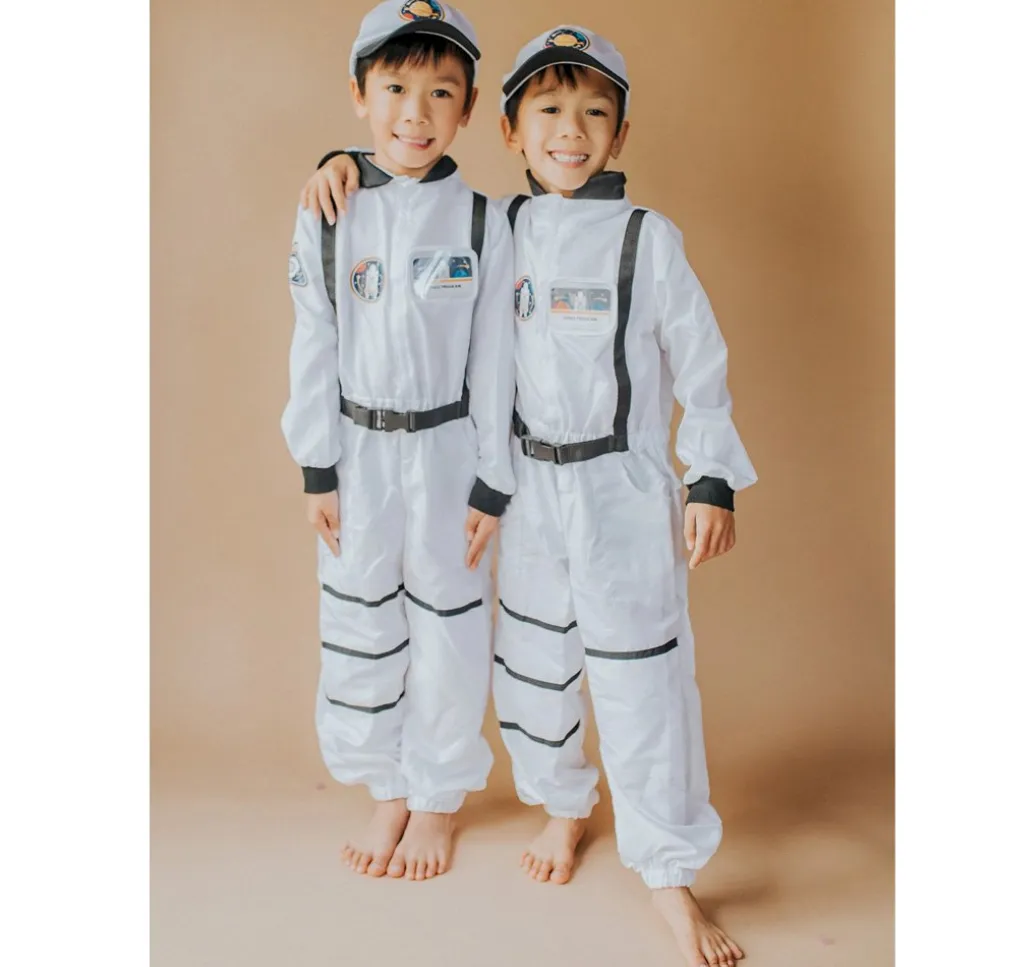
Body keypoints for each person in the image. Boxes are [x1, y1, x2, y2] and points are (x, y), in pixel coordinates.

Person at [302, 23, 755, 967]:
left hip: (622, 486)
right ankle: (564, 804)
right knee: (532, 664)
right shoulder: (499, 224)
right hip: (529, 486)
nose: (570, 132)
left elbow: (700, 358)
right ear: (508, 129)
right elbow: (409, 204)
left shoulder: (646, 238)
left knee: (640, 675)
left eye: (593, 114)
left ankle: (670, 878)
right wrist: (334, 164)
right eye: (547, 111)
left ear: (621, 133)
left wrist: (710, 474)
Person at [282, 0, 515, 883]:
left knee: (450, 622)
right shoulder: (330, 209)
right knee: (359, 613)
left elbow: (496, 360)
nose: (415, 113)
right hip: (359, 449)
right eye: (394, 89)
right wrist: (319, 464)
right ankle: (388, 782)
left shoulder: (484, 221)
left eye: (441, 93)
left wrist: (492, 478)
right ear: (359, 95)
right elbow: (313, 337)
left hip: (448, 449)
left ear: (469, 108)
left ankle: (439, 793)